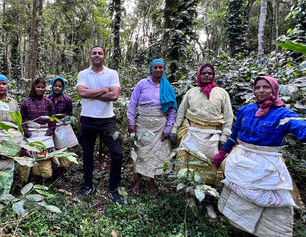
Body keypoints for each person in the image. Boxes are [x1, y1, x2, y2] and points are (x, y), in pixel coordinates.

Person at [213, 76, 306, 236]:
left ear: (275, 90)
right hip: (241, 159)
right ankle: (241, 228)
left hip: (267, 164)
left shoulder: (284, 114)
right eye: (258, 87)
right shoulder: (246, 110)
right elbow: (235, 133)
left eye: (266, 87)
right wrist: (223, 152)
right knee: (241, 196)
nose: (261, 91)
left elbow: (305, 131)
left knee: (268, 202)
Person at [174, 63, 234, 218]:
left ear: (213, 75)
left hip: (212, 136)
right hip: (191, 133)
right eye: (204, 73)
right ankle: (191, 197)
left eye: (209, 73)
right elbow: (181, 112)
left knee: (210, 170)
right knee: (190, 168)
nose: (206, 75)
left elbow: (228, 117)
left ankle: (208, 202)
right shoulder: (191, 92)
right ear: (199, 75)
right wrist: (175, 129)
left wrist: (224, 136)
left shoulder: (221, 93)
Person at [76, 45, 122, 204]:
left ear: (104, 56)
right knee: (87, 154)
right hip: (87, 119)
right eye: (94, 53)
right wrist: (103, 90)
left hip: (107, 120)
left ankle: (113, 188)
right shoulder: (83, 74)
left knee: (117, 154)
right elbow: (82, 93)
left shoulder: (112, 74)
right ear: (90, 56)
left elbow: (114, 95)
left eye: (100, 53)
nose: (97, 55)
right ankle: (88, 186)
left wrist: (91, 93)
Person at [127, 59, 177, 198]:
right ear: (151, 69)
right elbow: (132, 104)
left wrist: (168, 129)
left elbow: (172, 110)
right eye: (155, 67)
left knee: (155, 154)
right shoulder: (142, 84)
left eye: (161, 67)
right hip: (142, 122)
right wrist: (131, 122)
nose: (158, 70)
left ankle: (151, 182)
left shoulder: (167, 87)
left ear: (164, 69)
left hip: (160, 124)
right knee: (140, 152)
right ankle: (138, 181)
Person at [20, 77, 56, 180]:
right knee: (29, 157)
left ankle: (45, 179)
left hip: (45, 133)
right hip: (31, 132)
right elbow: (21, 118)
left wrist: (49, 132)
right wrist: (27, 132)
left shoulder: (48, 102)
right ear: (33, 87)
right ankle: (27, 180)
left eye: (42, 87)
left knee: (45, 157)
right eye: (38, 87)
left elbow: (52, 119)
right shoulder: (26, 102)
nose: (40, 89)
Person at [47, 77, 77, 181]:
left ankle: (61, 172)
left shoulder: (67, 100)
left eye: (60, 86)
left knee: (62, 148)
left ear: (63, 87)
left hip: (62, 126)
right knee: (52, 148)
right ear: (52, 86)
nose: (57, 88)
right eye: (55, 86)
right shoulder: (47, 99)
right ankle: (53, 170)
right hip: (51, 126)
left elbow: (69, 113)